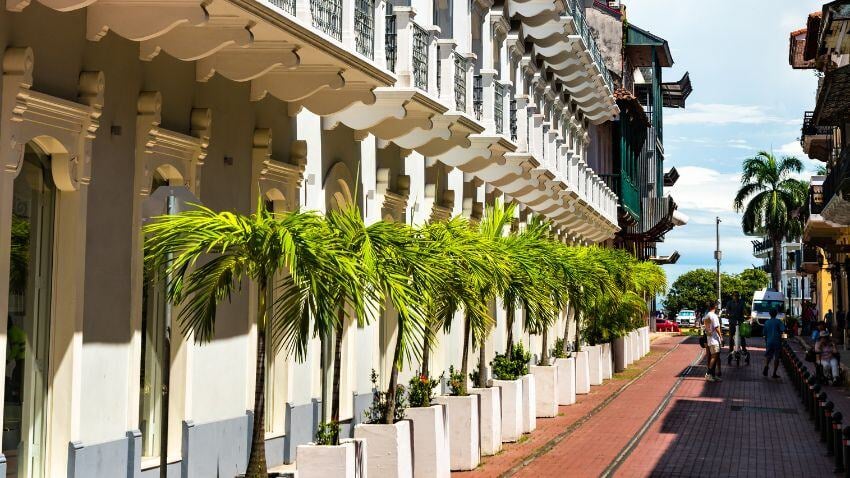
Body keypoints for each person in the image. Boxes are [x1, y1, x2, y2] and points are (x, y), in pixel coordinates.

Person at [762, 308, 785, 378]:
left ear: (769, 314)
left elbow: (764, 333)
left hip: (769, 341)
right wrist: (785, 338)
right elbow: (783, 331)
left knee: (768, 355)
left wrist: (766, 340)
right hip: (777, 341)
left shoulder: (767, 322)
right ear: (776, 314)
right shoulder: (779, 322)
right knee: (776, 357)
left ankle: (766, 366)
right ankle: (774, 373)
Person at [703, 301, 723, 382]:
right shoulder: (714, 316)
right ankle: (708, 374)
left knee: (715, 356)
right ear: (714, 306)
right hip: (714, 339)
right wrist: (721, 337)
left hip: (709, 339)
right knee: (714, 356)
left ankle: (713, 375)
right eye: (717, 306)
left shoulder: (707, 316)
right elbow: (717, 327)